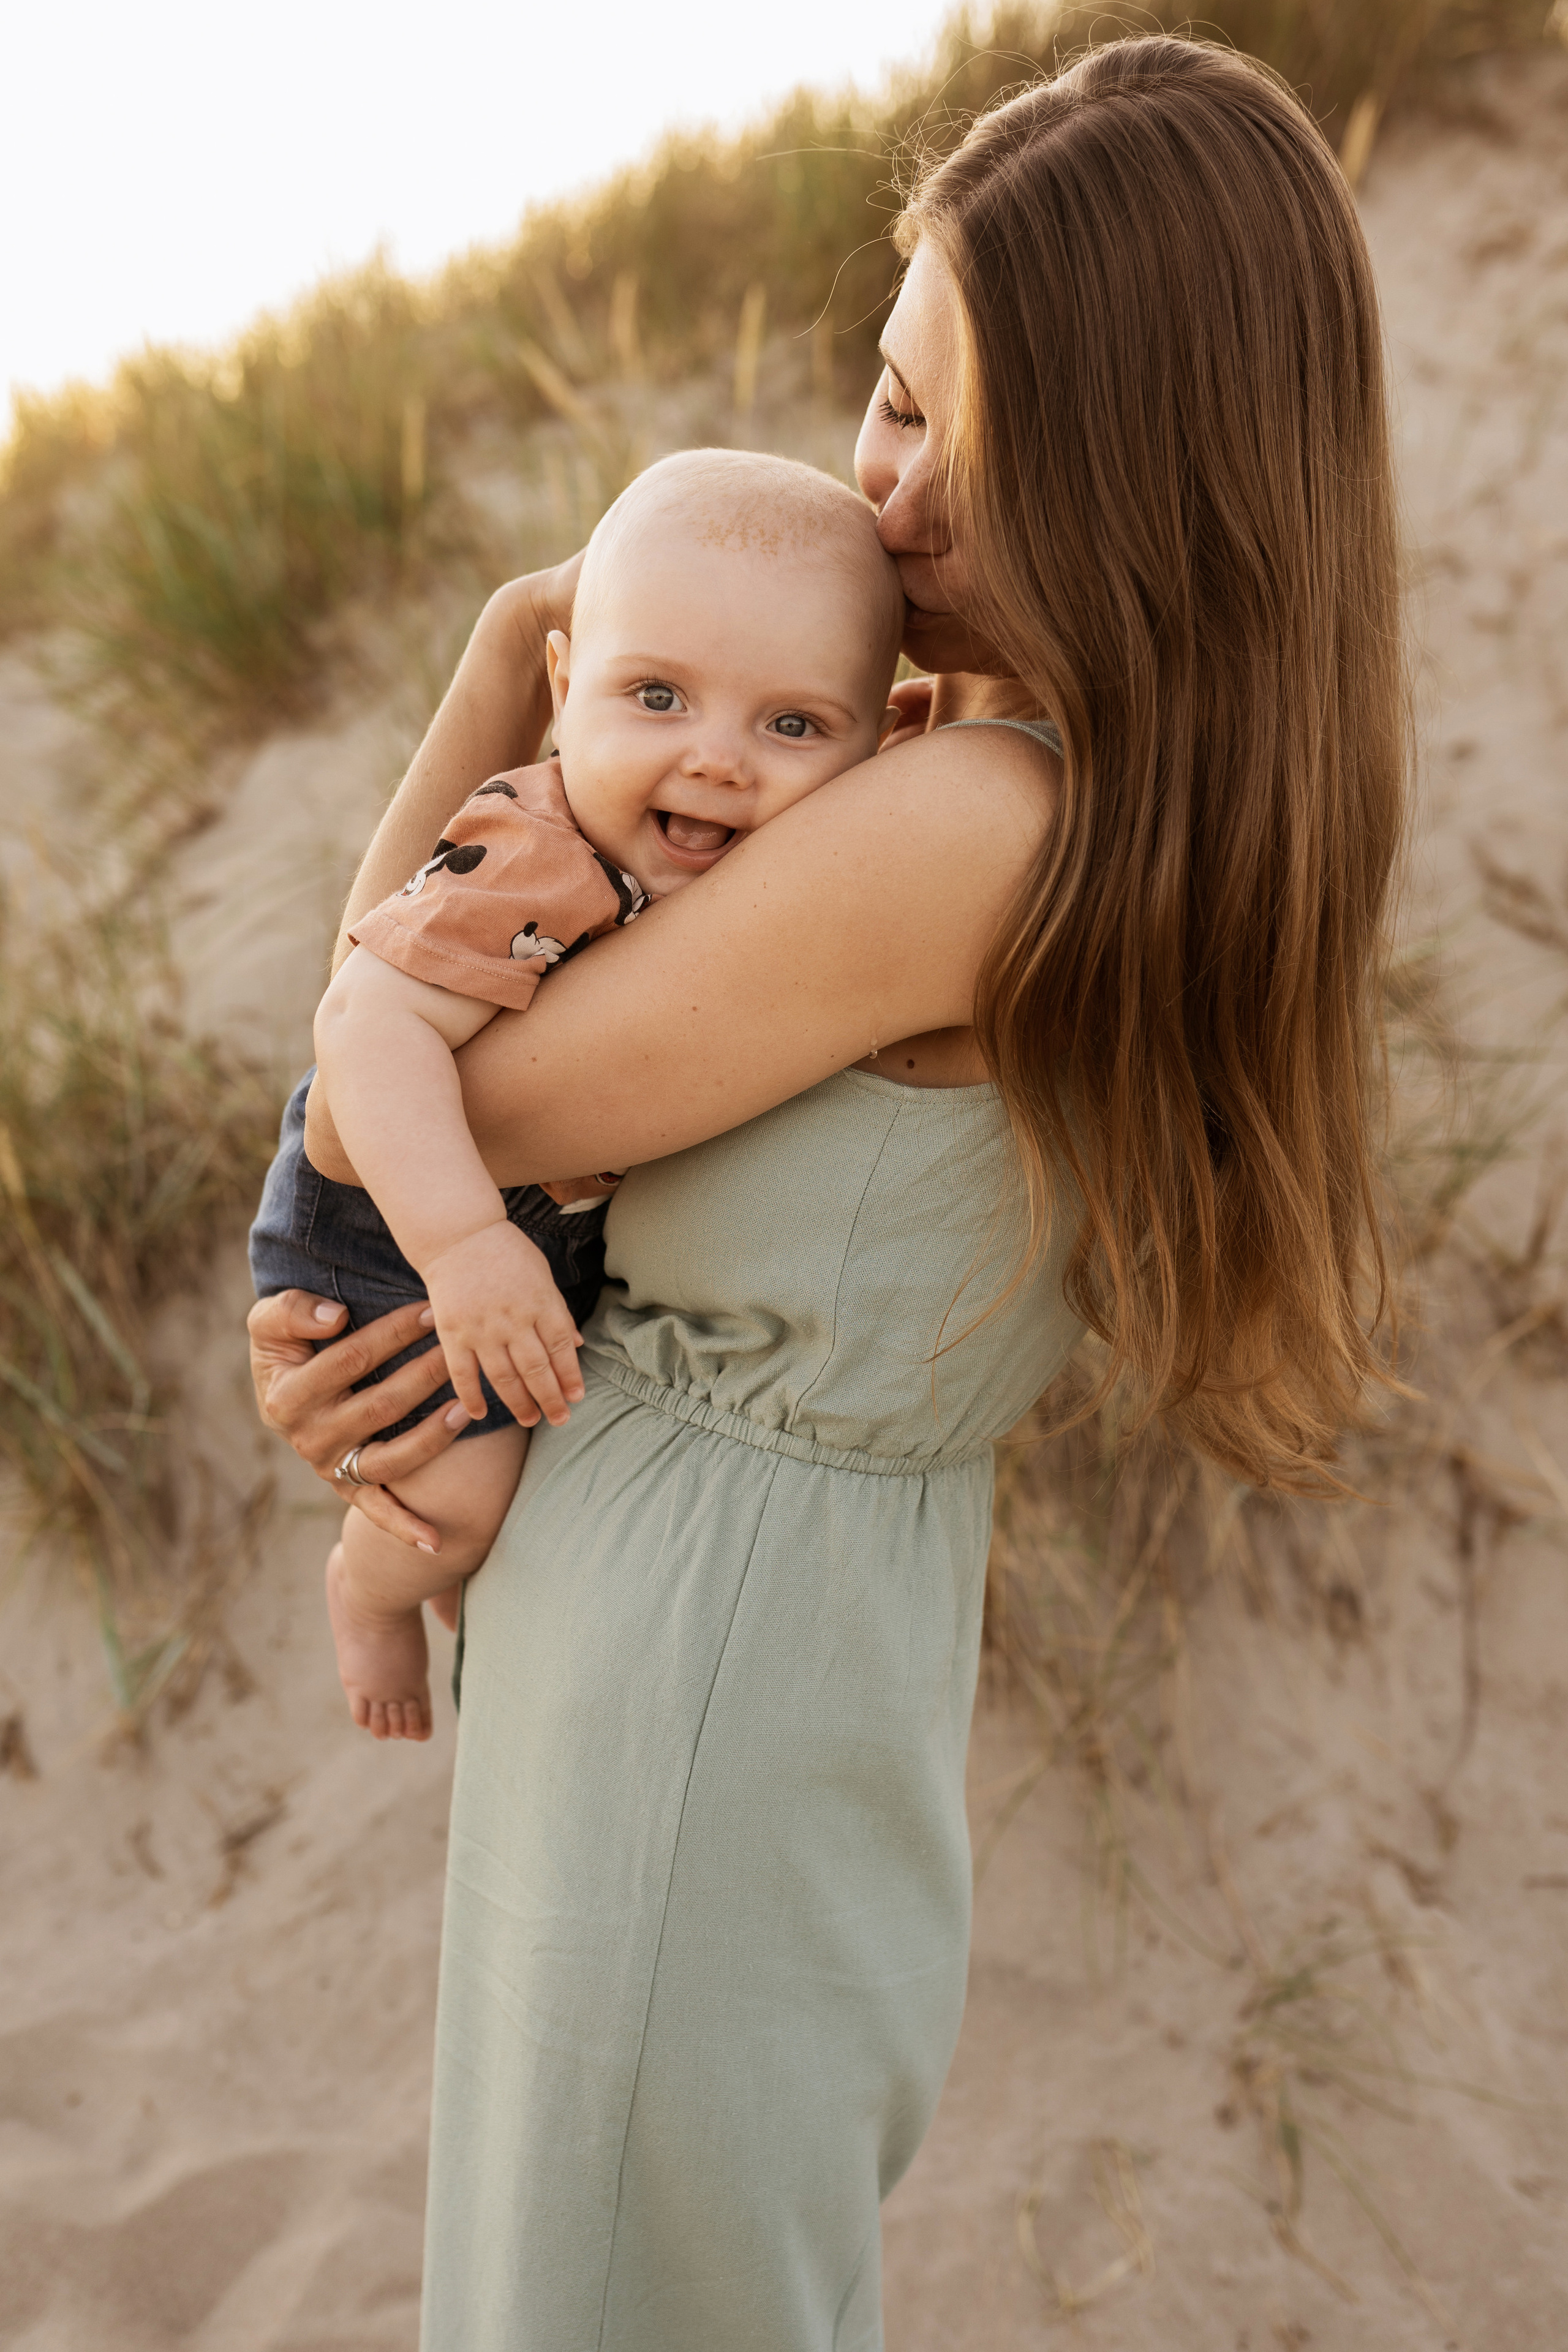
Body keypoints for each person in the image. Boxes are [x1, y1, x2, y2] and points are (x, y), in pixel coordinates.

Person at [247, 37, 1405, 2350]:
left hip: (699, 1669)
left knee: (619, 2289)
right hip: (788, 1641)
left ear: (1125, 462)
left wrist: (507, 657)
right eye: (880, 394)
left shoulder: (975, 821)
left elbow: (408, 1086)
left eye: (947, 432)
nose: (877, 491)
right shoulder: (1124, 797)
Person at [247, 450, 904, 1741]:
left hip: (529, 1227)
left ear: (873, 739)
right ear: (562, 692)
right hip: (398, 1224)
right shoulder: (536, 855)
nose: (715, 761)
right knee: (458, 1503)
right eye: (654, 696)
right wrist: (461, 1246)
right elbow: (363, 1027)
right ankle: (368, 1590)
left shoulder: (795, 844)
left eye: (792, 726)